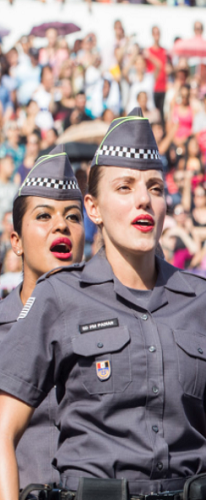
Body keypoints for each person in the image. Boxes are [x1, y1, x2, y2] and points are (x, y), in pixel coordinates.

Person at [0, 109, 206, 499]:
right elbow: (3, 430)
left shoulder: (202, 300)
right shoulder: (60, 295)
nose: (143, 200)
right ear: (93, 208)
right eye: (124, 187)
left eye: (154, 187)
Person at [0, 145, 85, 489]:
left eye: (73, 217)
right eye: (44, 216)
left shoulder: (117, 319)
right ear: (16, 241)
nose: (61, 226)